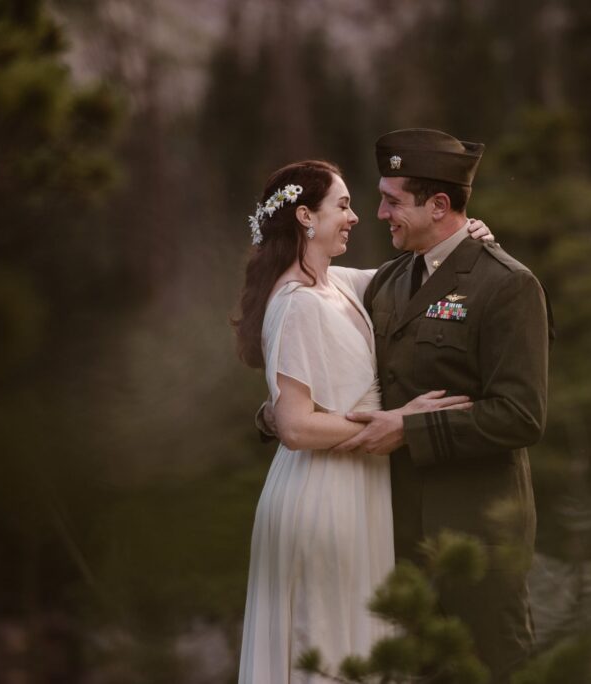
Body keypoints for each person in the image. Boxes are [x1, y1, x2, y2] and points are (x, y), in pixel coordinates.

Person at [233, 159, 494, 683]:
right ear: (305, 216)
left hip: (355, 491)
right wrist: (395, 421)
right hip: (323, 496)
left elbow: (415, 276)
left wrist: (468, 239)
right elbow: (296, 426)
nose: (356, 218)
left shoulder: (335, 284)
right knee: (325, 643)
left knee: (354, 643)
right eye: (344, 205)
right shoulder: (297, 302)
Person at [333, 129, 552, 682]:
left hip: (479, 533)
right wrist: (281, 417)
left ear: (438, 205)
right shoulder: (387, 280)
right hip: (398, 530)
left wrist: (413, 430)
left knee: (497, 669)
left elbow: (522, 415)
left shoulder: (507, 285)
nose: (379, 212)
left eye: (391, 200)